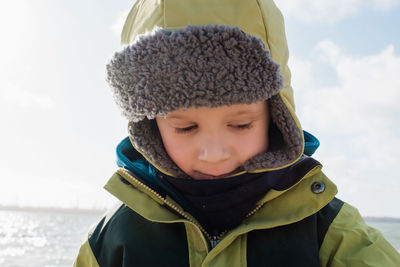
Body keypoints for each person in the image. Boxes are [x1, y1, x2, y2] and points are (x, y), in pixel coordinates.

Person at [74, 0, 400, 266]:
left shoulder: (328, 231)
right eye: (185, 127)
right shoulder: (113, 240)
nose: (215, 153)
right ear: (150, 127)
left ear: (276, 115)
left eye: (241, 124)